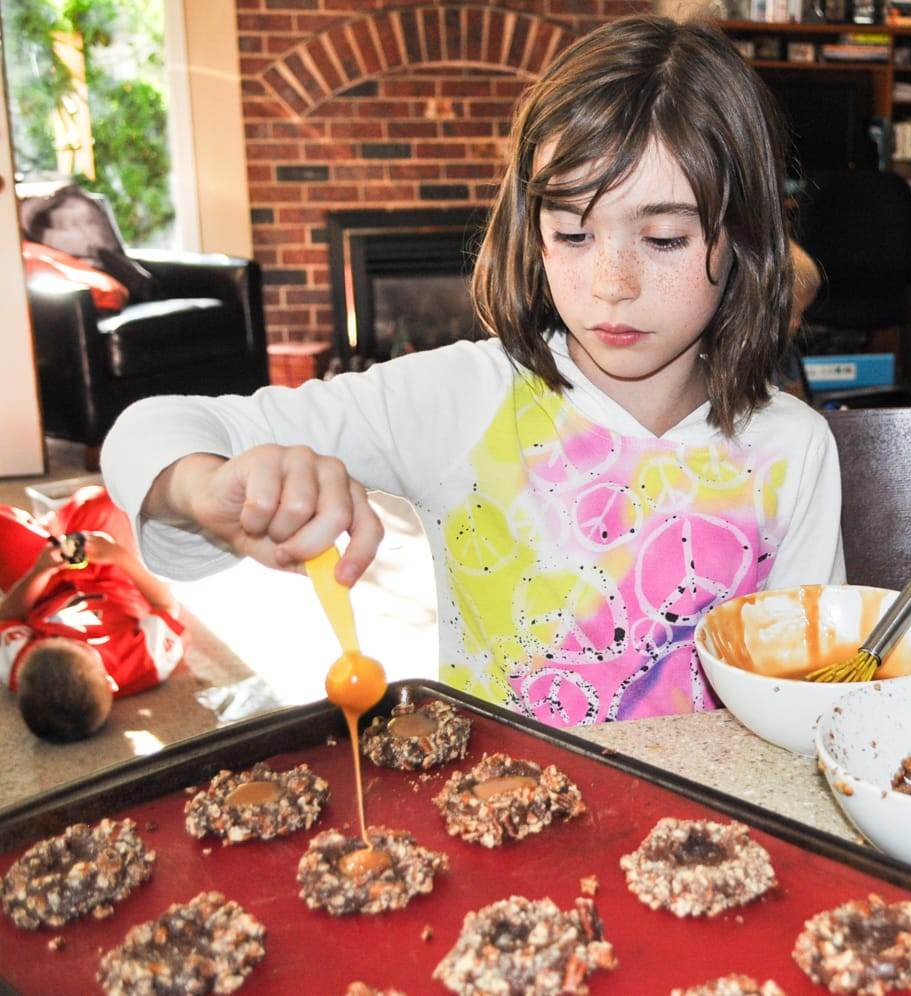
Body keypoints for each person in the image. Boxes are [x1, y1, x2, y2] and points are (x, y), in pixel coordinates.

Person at [101, 15, 844, 729]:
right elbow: (149, 429)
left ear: (744, 237)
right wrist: (204, 486)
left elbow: (809, 701)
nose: (612, 281)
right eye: (574, 232)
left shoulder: (793, 448)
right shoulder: (463, 400)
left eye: (664, 237)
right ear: (534, 232)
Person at [0, 486, 186, 742]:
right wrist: (121, 557)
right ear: (110, 681)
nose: (77, 639)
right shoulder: (147, 662)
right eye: (79, 646)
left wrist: (39, 571)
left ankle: (50, 529)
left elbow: (7, 616)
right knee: (102, 501)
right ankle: (56, 527)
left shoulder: (23, 671)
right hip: (111, 577)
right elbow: (166, 604)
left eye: (59, 641)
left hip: (45, 589)